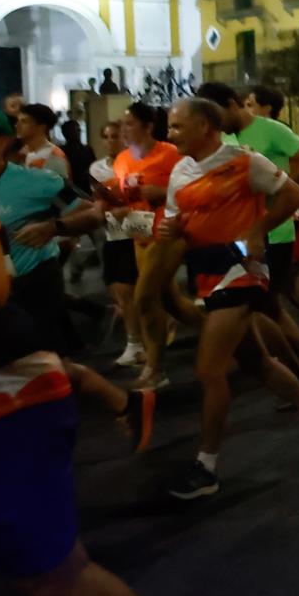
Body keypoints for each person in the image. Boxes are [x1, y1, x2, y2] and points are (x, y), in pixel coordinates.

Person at [160, 98, 299, 500]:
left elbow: (293, 195)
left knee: (209, 370)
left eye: (177, 126)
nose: (170, 134)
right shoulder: (179, 171)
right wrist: (171, 235)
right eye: (170, 127)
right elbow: (178, 223)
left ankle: (206, 466)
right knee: (255, 361)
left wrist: (260, 228)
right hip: (206, 274)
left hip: (241, 271)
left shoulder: (244, 161)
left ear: (205, 126)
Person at [0, 183, 145, 596]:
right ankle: (124, 398)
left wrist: (56, 226)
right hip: (18, 364)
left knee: (52, 580)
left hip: (7, 391)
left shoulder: (38, 176)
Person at [194, 82, 299, 375]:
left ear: (232, 104)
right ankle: (294, 367)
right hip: (242, 234)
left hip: (275, 231)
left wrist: (278, 184)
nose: (214, 124)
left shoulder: (270, 129)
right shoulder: (224, 138)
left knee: (266, 308)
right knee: (263, 308)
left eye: (216, 115)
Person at [0, 109, 103, 354]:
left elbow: (94, 214)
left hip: (31, 285)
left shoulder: (37, 182)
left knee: (44, 362)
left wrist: (54, 228)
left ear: (2, 141)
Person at [101, 103, 192, 390]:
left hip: (168, 232)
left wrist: (163, 192)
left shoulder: (171, 154)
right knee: (170, 301)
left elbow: (195, 189)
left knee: (144, 297)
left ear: (148, 127)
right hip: (139, 231)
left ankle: (154, 368)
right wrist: (115, 206)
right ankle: (229, 338)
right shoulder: (122, 159)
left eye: (129, 124)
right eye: (122, 125)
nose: (123, 130)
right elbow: (125, 197)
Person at [87, 121, 142, 367]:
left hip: (135, 232)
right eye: (107, 136)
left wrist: (127, 209)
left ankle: (135, 344)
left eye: (115, 136)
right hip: (111, 232)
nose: (111, 141)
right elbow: (97, 198)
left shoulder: (135, 163)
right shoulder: (97, 168)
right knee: (116, 288)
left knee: (128, 289)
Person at [17, 104, 70, 183]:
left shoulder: (54, 156)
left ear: (41, 127)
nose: (17, 125)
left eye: (24, 122)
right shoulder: (21, 154)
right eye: (18, 121)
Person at [58, 121, 95, 195]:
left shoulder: (87, 149)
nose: (78, 133)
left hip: (87, 187)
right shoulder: (61, 151)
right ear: (66, 133)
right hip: (69, 188)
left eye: (78, 130)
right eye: (74, 130)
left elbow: (94, 168)